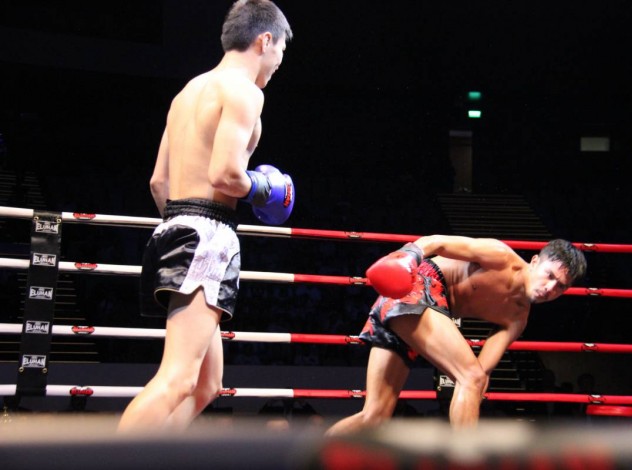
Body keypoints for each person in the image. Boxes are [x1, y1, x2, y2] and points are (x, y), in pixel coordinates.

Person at [118, 0, 294, 432]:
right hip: (206, 235)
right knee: (177, 380)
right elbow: (225, 175)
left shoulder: (188, 92)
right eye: (281, 50)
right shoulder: (246, 92)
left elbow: (158, 182)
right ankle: (110, 459)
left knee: (206, 384)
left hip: (174, 226)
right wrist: (266, 189)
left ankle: (152, 456)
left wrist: (184, 228)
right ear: (264, 40)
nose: (279, 62)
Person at [326, 236, 586, 434]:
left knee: (374, 417)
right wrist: (407, 257)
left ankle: (310, 458)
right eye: (549, 275)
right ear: (535, 262)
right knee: (470, 378)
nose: (550, 288)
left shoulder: (517, 319)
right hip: (416, 287)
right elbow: (436, 242)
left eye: (560, 287)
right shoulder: (501, 257)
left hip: (417, 310)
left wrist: (469, 401)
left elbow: (481, 373)